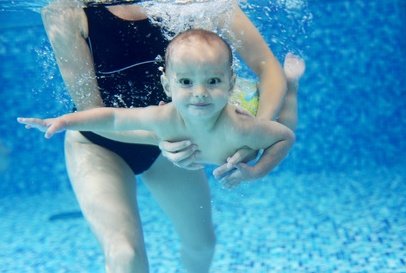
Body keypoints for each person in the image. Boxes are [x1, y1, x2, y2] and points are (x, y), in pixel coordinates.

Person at [35, 0, 300, 272]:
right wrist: (163, 138)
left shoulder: (198, 3)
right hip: (100, 145)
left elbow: (268, 68)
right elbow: (97, 116)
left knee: (202, 245)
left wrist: (253, 135)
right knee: (124, 254)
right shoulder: (66, 11)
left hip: (176, 140)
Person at [18, 28, 299, 182]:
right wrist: (65, 120)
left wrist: (257, 171)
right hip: (224, 103)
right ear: (167, 86)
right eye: (186, 82)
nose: (199, 93)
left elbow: (285, 137)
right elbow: (114, 119)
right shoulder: (164, 117)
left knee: (285, 117)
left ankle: (293, 84)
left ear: (228, 83)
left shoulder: (241, 127)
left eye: (212, 81)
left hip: (244, 103)